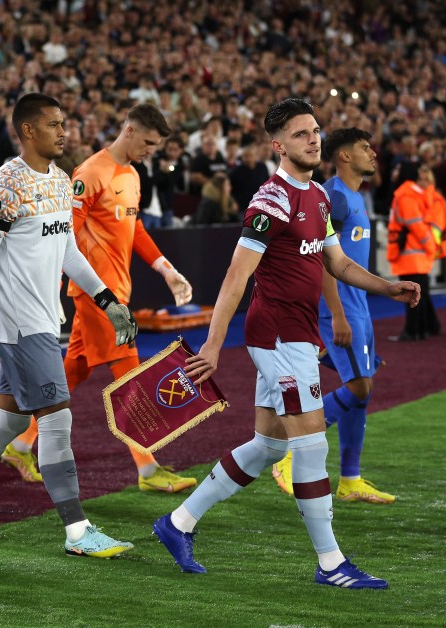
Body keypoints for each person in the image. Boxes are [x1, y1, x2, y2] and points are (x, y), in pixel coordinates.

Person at [152, 99, 420, 588]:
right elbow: (237, 276)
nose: (313, 139)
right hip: (276, 337)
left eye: (315, 131)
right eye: (300, 134)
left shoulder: (318, 195)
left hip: (295, 335)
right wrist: (212, 344)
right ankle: (331, 563)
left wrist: (387, 286)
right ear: (278, 145)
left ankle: (178, 523)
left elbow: (335, 263)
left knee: (268, 445)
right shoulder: (270, 201)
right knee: (312, 443)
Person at [0, 93, 139, 558]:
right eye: (55, 125)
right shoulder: (5, 185)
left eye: (65, 123)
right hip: (19, 322)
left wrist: (107, 301)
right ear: (27, 131)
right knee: (57, 420)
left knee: (9, 419)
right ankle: (78, 531)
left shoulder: (61, 181)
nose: (65, 132)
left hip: (43, 316)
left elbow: (69, 254)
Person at [3, 103, 197, 493]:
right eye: (148, 143)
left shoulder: (132, 174)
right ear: (128, 131)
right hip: (97, 296)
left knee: (76, 368)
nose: (150, 151)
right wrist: (52, 286)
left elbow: (134, 226)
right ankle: (148, 468)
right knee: (129, 376)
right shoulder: (90, 173)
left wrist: (166, 269)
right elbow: (63, 235)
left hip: (117, 292)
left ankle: (20, 443)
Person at [271, 127, 395, 505]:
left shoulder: (355, 197)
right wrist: (337, 315)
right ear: (343, 156)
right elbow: (324, 260)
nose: (372, 153)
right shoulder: (335, 198)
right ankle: (291, 451)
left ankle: (351, 479)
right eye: (363, 148)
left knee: (363, 390)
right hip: (339, 311)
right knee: (359, 387)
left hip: (361, 309)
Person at [386, 162, 438, 341]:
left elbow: (415, 225)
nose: (395, 171)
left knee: (411, 296)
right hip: (418, 254)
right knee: (420, 295)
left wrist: (430, 246)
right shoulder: (413, 194)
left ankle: (412, 331)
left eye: (399, 168)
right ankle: (421, 330)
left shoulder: (406, 196)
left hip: (411, 254)